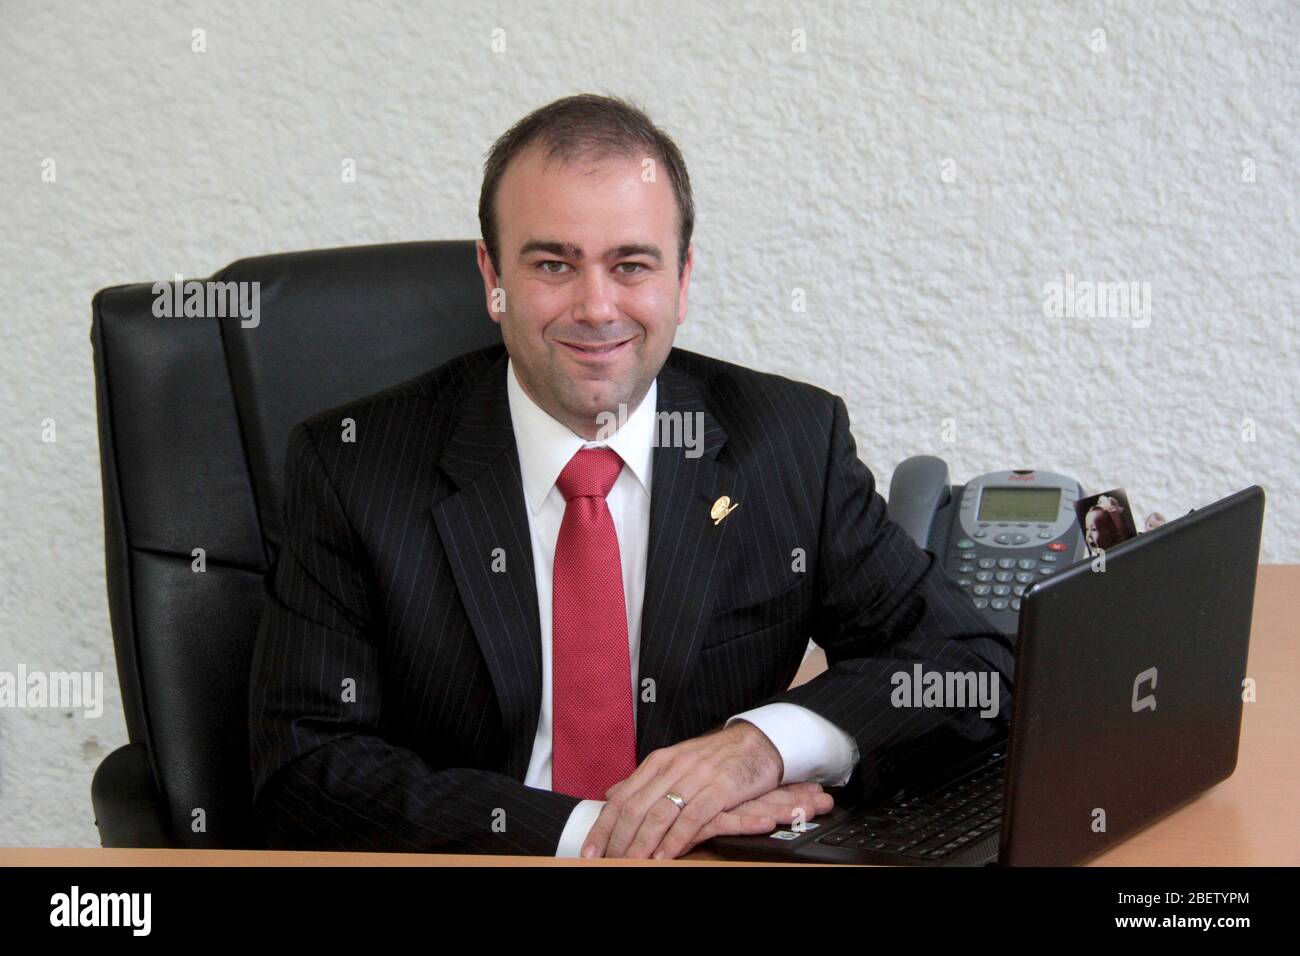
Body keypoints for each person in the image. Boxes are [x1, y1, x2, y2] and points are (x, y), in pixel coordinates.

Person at [248, 93, 1014, 860]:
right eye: (553, 264)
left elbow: (974, 670)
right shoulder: (354, 465)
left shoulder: (787, 444)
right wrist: (598, 835)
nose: (596, 307)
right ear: (492, 276)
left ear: (682, 279)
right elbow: (306, 772)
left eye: (631, 265)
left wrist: (761, 747)